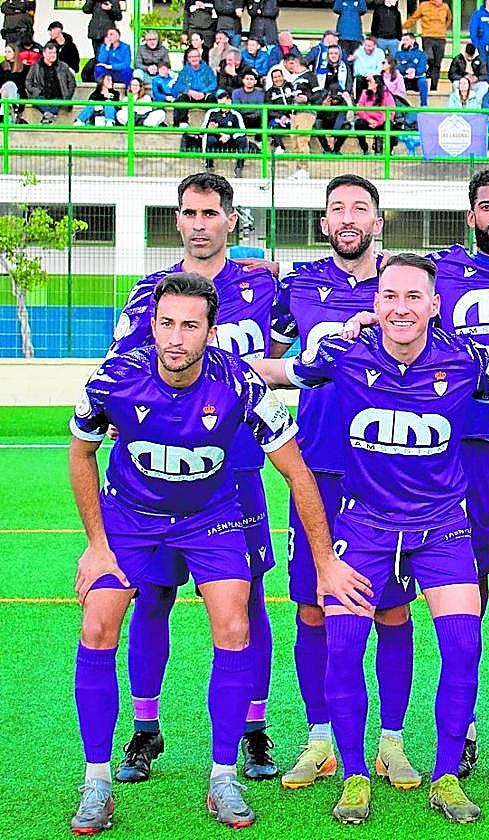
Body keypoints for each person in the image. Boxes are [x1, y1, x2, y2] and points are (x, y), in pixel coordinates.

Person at [254, 253, 489, 824]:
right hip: (363, 527)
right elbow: (276, 374)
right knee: (343, 648)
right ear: (375, 303)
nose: (401, 307)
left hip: (442, 529)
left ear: (435, 305)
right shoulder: (339, 352)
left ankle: (444, 777)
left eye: (414, 297)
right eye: (390, 296)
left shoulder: (467, 361)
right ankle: (356, 774)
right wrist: (203, 366)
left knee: (463, 646)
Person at [340, 167, 489, 781]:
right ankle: (465, 729)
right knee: (462, 603)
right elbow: (387, 288)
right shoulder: (437, 270)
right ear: (469, 214)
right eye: (484, 206)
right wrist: (371, 318)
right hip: (460, 459)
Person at [67, 272, 329, 834]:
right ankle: (96, 783)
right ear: (151, 325)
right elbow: (81, 454)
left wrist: (325, 559)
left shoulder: (240, 384)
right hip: (130, 520)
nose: (176, 337)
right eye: (166, 323)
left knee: (234, 626)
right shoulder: (113, 378)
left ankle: (223, 777)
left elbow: (296, 471)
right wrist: (95, 544)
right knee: (97, 627)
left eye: (190, 325)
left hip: (211, 519)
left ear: (211, 331)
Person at [102, 175, 280, 789]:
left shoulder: (264, 285)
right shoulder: (149, 296)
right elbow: (129, 374)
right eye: (188, 213)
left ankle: (252, 731)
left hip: (237, 476)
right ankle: (146, 728)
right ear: (176, 221)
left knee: (246, 603)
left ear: (232, 220)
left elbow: (287, 357)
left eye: (210, 213)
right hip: (155, 483)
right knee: (151, 598)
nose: (198, 223)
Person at [270, 176, 424, 792]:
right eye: (337, 208)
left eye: (361, 207)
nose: (348, 216)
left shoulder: (407, 283)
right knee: (311, 607)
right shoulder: (296, 286)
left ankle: (390, 743)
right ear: (325, 221)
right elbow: (270, 359)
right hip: (316, 470)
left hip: (390, 476)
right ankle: (321, 739)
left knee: (391, 609)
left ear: (379, 221)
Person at [403, 0, 451, 90]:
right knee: (430, 58)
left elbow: (449, 19)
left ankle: (434, 87)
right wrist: (402, 27)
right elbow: (414, 18)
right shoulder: (424, 6)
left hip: (441, 38)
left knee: (437, 64)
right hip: (428, 37)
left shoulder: (445, 7)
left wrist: (443, 29)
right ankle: (429, 70)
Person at [25, 39, 76, 123]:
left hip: (58, 97)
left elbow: (72, 82)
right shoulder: (36, 66)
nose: (53, 55)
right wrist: (34, 90)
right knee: (38, 100)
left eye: (54, 53)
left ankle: (47, 116)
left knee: (57, 101)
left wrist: (67, 95)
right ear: (44, 54)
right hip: (40, 96)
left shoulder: (63, 66)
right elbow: (28, 81)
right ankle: (51, 115)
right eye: (50, 53)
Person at [202, 89, 248, 174]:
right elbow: (203, 129)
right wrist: (216, 132)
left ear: (229, 101)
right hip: (216, 140)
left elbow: (242, 131)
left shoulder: (236, 114)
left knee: (242, 139)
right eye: (219, 103)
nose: (222, 106)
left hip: (230, 141)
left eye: (224, 103)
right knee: (210, 139)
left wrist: (229, 135)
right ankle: (209, 165)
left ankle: (239, 167)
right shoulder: (211, 112)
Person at [173, 47, 219, 129]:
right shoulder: (185, 70)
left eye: (196, 56)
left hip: (204, 96)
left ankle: (212, 122)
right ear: (188, 59)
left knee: (212, 98)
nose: (194, 59)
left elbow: (213, 84)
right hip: (190, 96)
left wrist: (203, 92)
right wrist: (189, 91)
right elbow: (178, 85)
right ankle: (183, 122)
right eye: (191, 57)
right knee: (183, 97)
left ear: (199, 57)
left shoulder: (207, 69)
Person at [351, 72, 393, 153]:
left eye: (370, 82)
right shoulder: (364, 93)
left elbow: (391, 112)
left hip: (381, 122)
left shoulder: (386, 95)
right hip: (368, 121)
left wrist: (378, 122)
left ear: (377, 84)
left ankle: (389, 151)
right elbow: (360, 109)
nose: (368, 83)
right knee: (358, 124)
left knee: (389, 124)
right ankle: (364, 148)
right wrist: (369, 120)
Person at [395, 31, 429, 105]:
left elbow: (422, 67)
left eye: (406, 40)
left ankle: (424, 105)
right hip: (404, 78)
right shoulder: (398, 54)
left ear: (413, 41)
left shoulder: (421, 53)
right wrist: (407, 70)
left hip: (416, 79)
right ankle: (397, 105)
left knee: (423, 81)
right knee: (395, 80)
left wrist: (414, 71)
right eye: (402, 40)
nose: (404, 42)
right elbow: (396, 67)